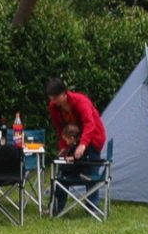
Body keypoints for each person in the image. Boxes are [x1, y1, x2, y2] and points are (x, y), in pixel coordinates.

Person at [46, 77, 107, 213]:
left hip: (93, 139)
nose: (53, 101)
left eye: (55, 98)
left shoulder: (81, 101)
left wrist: (83, 144)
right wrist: (64, 147)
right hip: (73, 141)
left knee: (90, 171)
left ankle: (92, 207)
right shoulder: (53, 107)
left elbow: (89, 124)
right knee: (63, 169)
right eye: (51, 98)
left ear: (64, 94)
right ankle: (56, 207)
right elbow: (60, 128)